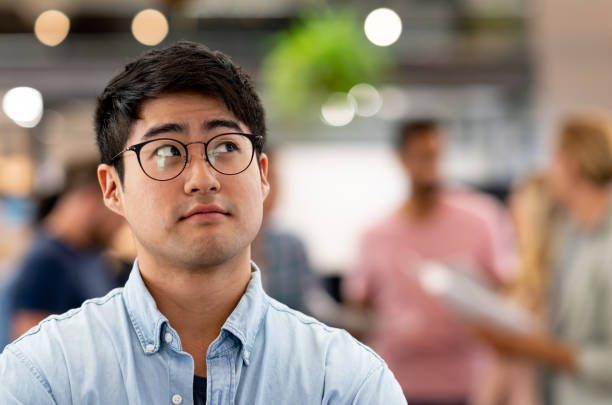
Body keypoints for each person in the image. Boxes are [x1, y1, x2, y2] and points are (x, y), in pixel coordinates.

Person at [0, 41, 405, 404]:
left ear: (261, 174)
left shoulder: (345, 383)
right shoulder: (45, 376)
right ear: (112, 189)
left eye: (226, 146)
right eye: (166, 152)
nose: (202, 179)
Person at [342, 119, 513, 405]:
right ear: (401, 158)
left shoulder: (482, 218)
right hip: (396, 382)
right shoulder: (375, 234)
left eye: (436, 154)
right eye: (421, 154)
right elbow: (358, 307)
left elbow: (504, 293)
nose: (430, 164)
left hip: (468, 382)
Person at [473, 115, 612, 405]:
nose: (551, 171)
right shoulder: (573, 237)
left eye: (554, 159)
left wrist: (529, 347)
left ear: (572, 163)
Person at [2, 159, 124, 348]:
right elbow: (32, 347)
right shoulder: (47, 262)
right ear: (90, 200)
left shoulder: (85, 255)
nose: (122, 222)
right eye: (117, 205)